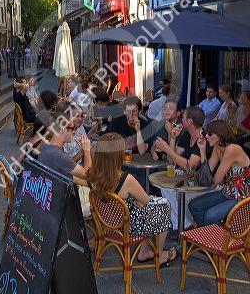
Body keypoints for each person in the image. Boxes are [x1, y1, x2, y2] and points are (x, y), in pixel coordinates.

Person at [87, 133, 177, 266]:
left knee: (147, 207)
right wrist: (138, 202)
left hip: (106, 224)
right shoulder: (126, 180)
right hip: (127, 227)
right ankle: (160, 254)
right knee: (165, 206)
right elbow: (147, 201)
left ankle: (145, 251)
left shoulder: (92, 175)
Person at [155, 106, 212, 231]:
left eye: (183, 117)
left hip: (204, 182)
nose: (181, 119)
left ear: (190, 121)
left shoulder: (203, 138)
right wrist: (173, 138)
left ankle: (183, 226)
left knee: (176, 193)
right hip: (190, 178)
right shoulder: (187, 135)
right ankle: (181, 224)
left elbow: (190, 165)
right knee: (165, 188)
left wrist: (166, 149)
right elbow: (171, 160)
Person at [188, 120, 250, 227]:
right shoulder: (217, 148)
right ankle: (210, 240)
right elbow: (206, 176)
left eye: (210, 133)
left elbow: (214, 181)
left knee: (210, 216)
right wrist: (202, 151)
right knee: (194, 205)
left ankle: (217, 241)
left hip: (242, 197)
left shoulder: (232, 149)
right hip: (228, 192)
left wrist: (208, 178)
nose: (206, 136)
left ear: (220, 135)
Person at [38, 101, 92, 181]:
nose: (74, 132)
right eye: (72, 129)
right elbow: (88, 175)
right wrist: (87, 151)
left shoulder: (44, 147)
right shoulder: (60, 156)